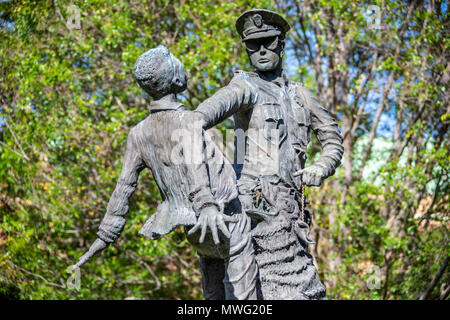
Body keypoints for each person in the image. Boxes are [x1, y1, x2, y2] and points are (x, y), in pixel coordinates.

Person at [74, 45, 258, 300]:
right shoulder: (189, 121)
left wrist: (103, 238)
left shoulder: (138, 133)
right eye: (175, 60)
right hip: (223, 220)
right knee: (243, 296)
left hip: (195, 229)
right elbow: (195, 164)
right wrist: (206, 204)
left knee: (213, 291)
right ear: (174, 77)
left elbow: (123, 190)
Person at [193, 9, 344, 299]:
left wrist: (321, 167)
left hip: (292, 216)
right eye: (253, 44)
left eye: (269, 42)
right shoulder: (244, 87)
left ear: (282, 44)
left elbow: (332, 140)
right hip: (255, 214)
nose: (261, 50)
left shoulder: (302, 95)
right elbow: (197, 120)